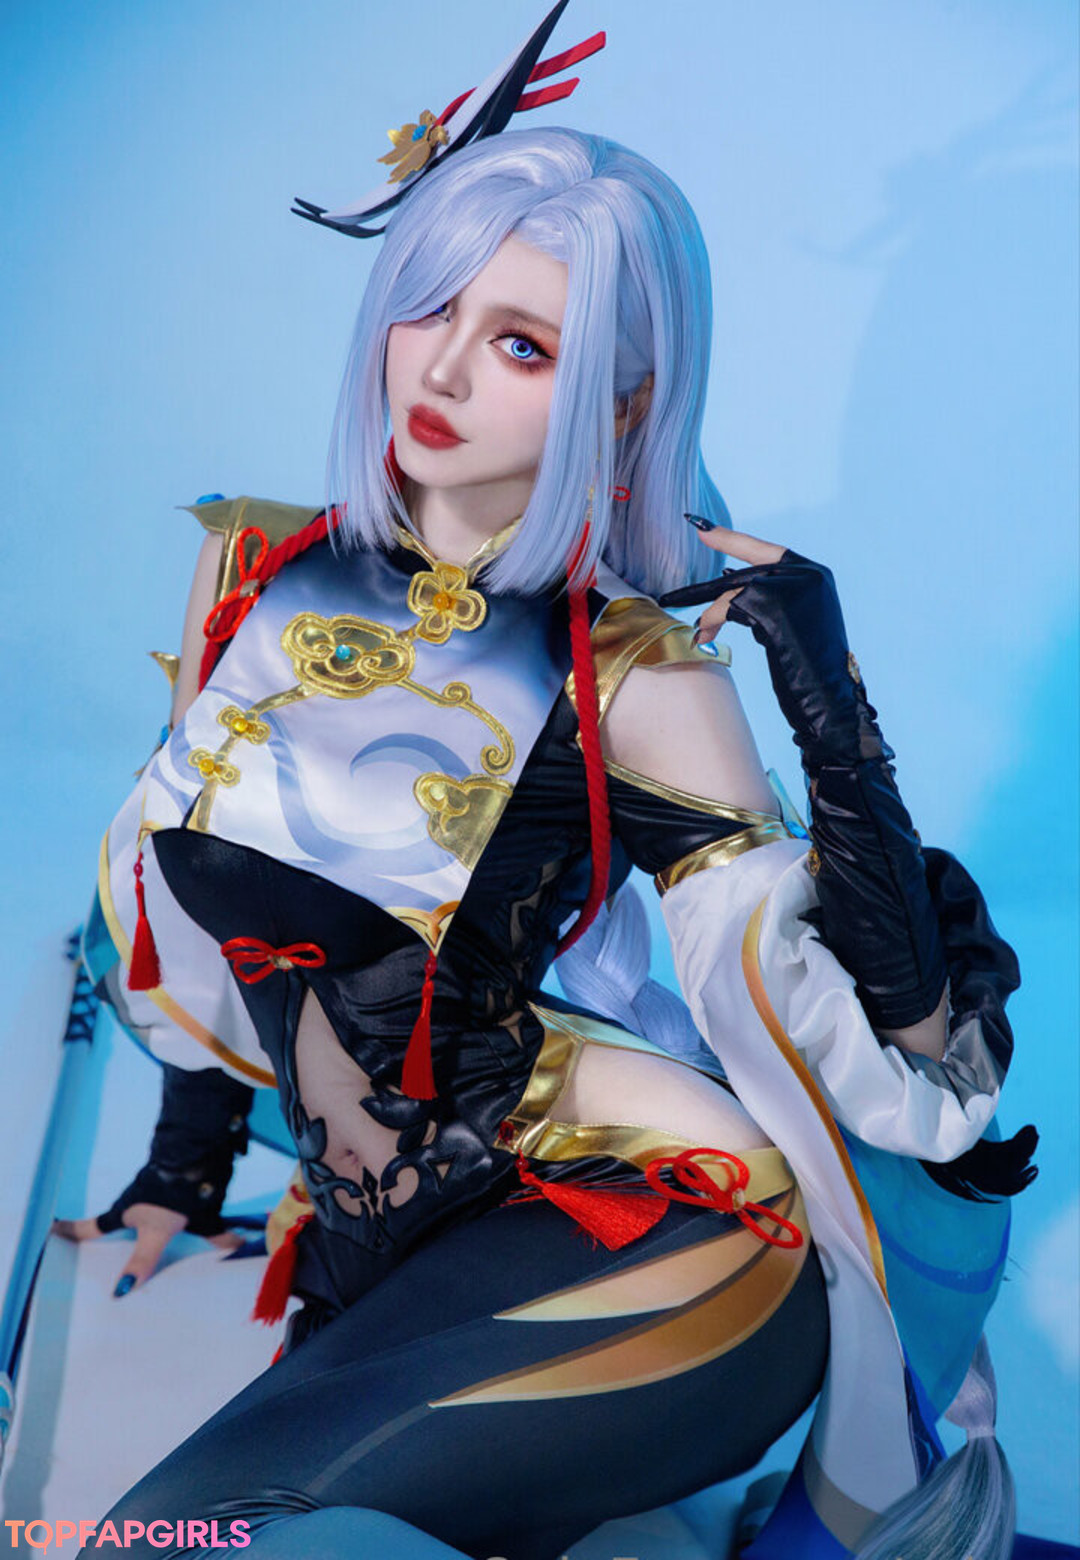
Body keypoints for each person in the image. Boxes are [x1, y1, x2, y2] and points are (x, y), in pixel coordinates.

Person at [63, 11, 1032, 1557]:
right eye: (428, 302)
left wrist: (831, 709)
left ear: (625, 403)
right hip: (381, 1247)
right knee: (161, 1539)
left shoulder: (633, 678)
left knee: (204, 1540)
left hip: (656, 1231)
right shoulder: (253, 571)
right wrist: (182, 1169)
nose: (442, 368)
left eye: (522, 344)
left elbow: (894, 1061)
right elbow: (214, 895)